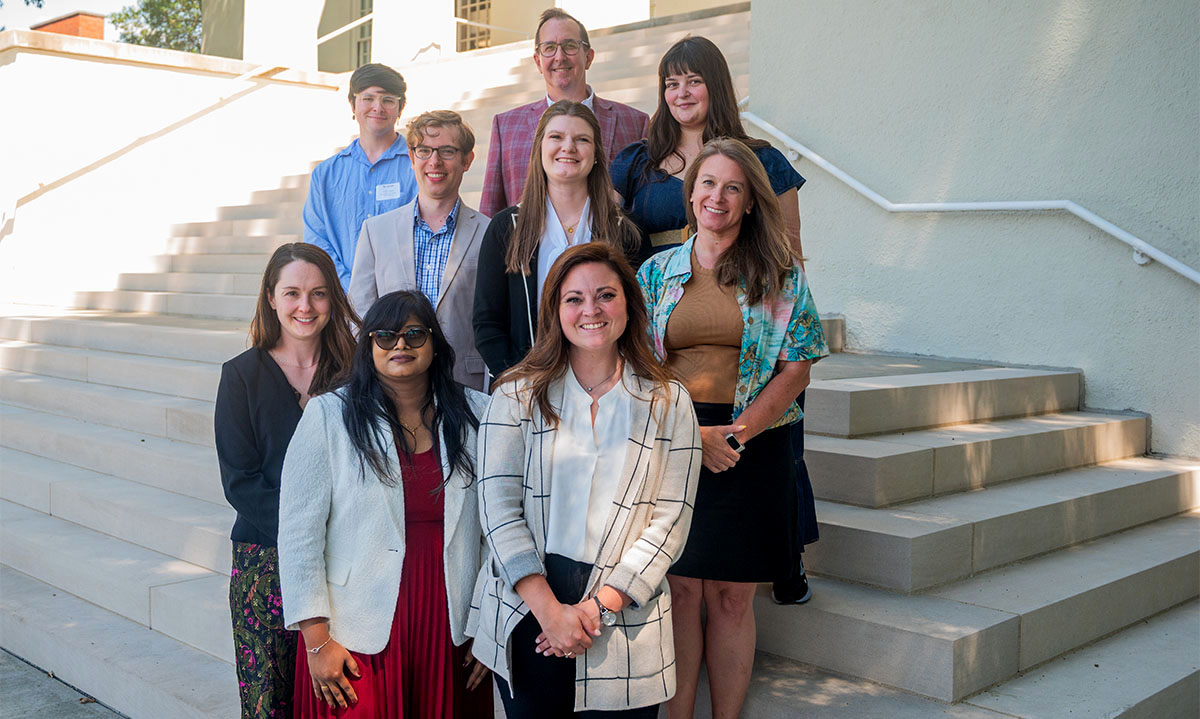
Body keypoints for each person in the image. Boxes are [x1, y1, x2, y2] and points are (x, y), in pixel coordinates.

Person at [610, 35, 820, 604]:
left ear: (716, 86)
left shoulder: (762, 159)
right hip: (663, 304)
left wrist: (771, 306)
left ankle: (784, 554)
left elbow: (788, 248)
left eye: (693, 80)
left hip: (748, 306)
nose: (681, 92)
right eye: (670, 82)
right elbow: (613, 240)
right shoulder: (638, 161)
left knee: (777, 433)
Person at [636, 138, 828, 719]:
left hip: (752, 445)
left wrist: (735, 435)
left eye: (732, 187)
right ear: (690, 194)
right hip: (674, 439)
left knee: (731, 597)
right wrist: (695, 436)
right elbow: (637, 367)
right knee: (681, 589)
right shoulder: (655, 271)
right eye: (707, 184)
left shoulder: (778, 273)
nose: (716, 197)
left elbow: (798, 367)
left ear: (749, 203)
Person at [471, 242, 702, 717]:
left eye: (605, 295)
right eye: (574, 298)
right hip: (529, 605)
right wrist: (551, 614)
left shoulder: (668, 401)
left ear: (629, 305)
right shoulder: (515, 395)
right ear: (554, 310)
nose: (590, 310)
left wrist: (597, 608)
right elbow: (497, 510)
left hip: (622, 609)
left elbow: (670, 521)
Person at [278, 291, 492, 718]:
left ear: (435, 343)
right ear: (368, 345)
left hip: (451, 624)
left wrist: (489, 628)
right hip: (356, 630)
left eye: (414, 334)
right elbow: (299, 535)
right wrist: (316, 641)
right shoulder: (328, 415)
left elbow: (498, 530)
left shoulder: (478, 413)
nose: (400, 346)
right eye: (385, 335)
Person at [215, 243, 357, 719]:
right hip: (264, 564)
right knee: (269, 704)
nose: (305, 306)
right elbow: (241, 481)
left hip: (344, 561)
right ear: (271, 298)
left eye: (318, 294)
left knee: (338, 699)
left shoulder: (354, 374)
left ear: (333, 299)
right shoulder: (241, 376)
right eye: (292, 293)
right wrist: (303, 538)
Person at [472, 100, 649, 381]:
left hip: (607, 385)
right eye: (556, 137)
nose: (568, 147)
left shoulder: (625, 231)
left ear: (596, 154)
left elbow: (637, 318)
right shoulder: (507, 228)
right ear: (539, 147)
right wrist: (519, 380)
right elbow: (487, 321)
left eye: (582, 139)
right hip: (529, 386)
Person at [350, 110, 490, 391]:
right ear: (412, 158)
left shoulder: (490, 233)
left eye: (447, 151)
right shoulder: (376, 231)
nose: (434, 161)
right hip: (391, 384)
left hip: (463, 383)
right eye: (424, 151)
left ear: (467, 160)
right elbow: (358, 315)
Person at [479, 7, 649, 218]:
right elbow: (489, 215)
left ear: (588, 57)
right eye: (549, 47)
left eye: (569, 46)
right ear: (538, 61)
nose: (560, 57)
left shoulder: (635, 123)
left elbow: (643, 211)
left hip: (608, 248)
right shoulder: (505, 127)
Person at [303, 63, 418, 290]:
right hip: (343, 303)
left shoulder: (419, 166)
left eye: (388, 100)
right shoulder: (325, 174)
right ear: (352, 104)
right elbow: (317, 241)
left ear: (400, 108)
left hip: (402, 302)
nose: (378, 107)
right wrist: (352, 289)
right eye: (368, 98)